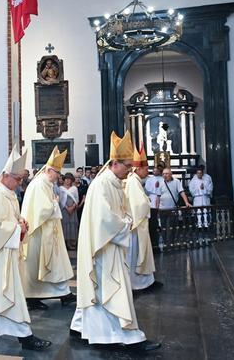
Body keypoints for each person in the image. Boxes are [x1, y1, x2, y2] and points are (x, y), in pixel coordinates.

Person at [70, 131, 160, 352]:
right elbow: (104, 219)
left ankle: (89, 329)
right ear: (115, 163)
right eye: (127, 166)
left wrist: (125, 220)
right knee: (112, 290)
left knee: (102, 293)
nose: (130, 170)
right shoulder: (102, 184)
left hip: (111, 245)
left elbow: (121, 212)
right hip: (104, 247)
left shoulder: (116, 182)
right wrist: (126, 224)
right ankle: (127, 337)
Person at [0, 146, 52, 351]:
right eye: (17, 179)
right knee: (9, 293)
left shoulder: (9, 195)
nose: (20, 183)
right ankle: (25, 336)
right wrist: (16, 227)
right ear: (5, 176)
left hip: (5, 250)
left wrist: (20, 222)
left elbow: (8, 220)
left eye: (21, 179)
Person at [21, 147, 75, 311]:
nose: (59, 177)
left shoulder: (46, 183)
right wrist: (54, 202)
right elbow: (42, 210)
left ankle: (64, 293)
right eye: (57, 173)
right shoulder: (39, 184)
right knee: (38, 265)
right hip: (39, 234)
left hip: (49, 232)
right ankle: (32, 297)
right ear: (49, 170)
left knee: (57, 264)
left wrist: (54, 201)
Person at [125, 147, 160, 293]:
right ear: (138, 169)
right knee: (136, 255)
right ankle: (138, 284)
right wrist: (147, 202)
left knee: (141, 253)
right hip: (136, 225)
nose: (148, 171)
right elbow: (138, 204)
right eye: (146, 168)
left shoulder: (135, 180)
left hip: (139, 224)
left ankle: (146, 282)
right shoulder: (133, 181)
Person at [59, 173, 79, 250]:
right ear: (64, 180)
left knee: (72, 225)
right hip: (64, 209)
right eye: (66, 179)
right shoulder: (60, 188)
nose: (67, 180)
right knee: (65, 225)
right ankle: (65, 243)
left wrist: (73, 207)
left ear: (71, 180)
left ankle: (72, 242)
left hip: (73, 209)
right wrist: (67, 208)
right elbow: (60, 200)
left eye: (69, 179)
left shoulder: (74, 188)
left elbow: (76, 199)